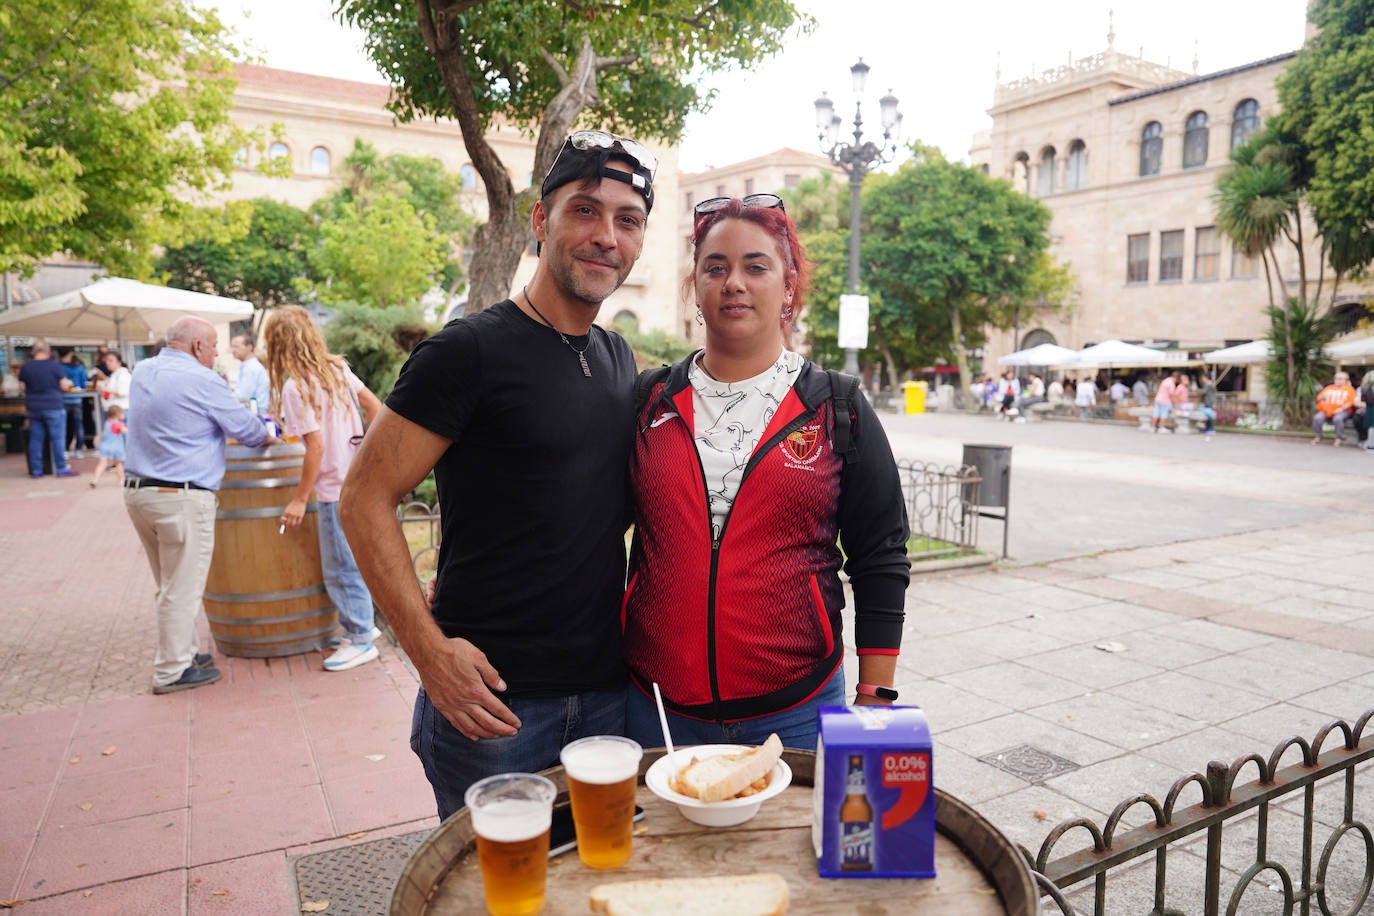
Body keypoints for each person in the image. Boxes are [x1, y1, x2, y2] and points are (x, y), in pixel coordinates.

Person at [339, 130, 654, 819]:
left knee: (597, 874)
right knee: (496, 880)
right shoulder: (466, 352)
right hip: (494, 710)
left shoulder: (616, 357)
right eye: (584, 210)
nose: (606, 236)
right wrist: (428, 654)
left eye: (627, 220)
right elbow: (363, 499)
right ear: (540, 220)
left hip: (608, 699)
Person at [623, 194, 910, 752]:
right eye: (715, 267)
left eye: (756, 267)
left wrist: (876, 697)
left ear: (789, 286)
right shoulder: (648, 400)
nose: (734, 282)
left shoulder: (836, 406)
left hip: (797, 711)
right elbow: (590, 528)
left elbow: (880, 554)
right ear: (695, 286)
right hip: (657, 710)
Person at [124, 316, 280, 695]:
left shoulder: (143, 371)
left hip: (138, 493)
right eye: (213, 347)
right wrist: (268, 433)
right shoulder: (203, 379)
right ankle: (172, 671)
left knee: (169, 583)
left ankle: (187, 652)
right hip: (180, 497)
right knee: (182, 587)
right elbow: (246, 430)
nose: (215, 354)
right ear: (197, 346)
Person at [262, 306, 384, 671]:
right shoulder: (336, 369)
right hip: (356, 482)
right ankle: (363, 628)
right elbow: (376, 407)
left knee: (342, 568)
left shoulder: (295, 386)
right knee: (353, 561)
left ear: (278, 344)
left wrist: (300, 499)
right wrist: (363, 451)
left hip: (332, 489)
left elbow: (314, 447)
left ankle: (361, 639)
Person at [18, 340, 78, 479]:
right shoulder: (54, 366)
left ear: (33, 352)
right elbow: (64, 385)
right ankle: (61, 469)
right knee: (57, 439)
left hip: (33, 407)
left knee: (35, 439)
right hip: (53, 405)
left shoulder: (26, 367)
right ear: (48, 352)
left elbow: (22, 387)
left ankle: (36, 470)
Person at [1311, 371, 1358, 446]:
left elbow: (1351, 402)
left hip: (1343, 411)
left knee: (1338, 419)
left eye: (1340, 379)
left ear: (1345, 380)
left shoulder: (1350, 389)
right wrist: (1322, 397)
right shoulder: (1329, 388)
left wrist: (1341, 409)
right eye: (1336, 378)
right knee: (1318, 418)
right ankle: (1318, 436)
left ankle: (1338, 438)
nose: (1337, 380)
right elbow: (1318, 398)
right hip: (1326, 410)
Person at [230, 333, 271, 412]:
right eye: (232, 347)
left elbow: (243, 396)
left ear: (249, 347)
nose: (233, 350)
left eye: (236, 347)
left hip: (255, 413)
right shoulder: (248, 366)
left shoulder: (251, 368)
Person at [59, 349, 90, 455]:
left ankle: (65, 449)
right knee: (79, 425)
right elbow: (84, 383)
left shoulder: (60, 367)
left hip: (63, 399)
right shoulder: (80, 368)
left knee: (64, 425)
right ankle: (79, 449)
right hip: (77, 399)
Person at [90, 404, 127, 486]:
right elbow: (125, 431)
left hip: (105, 446)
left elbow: (103, 434)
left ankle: (95, 480)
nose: (123, 415)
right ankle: (122, 480)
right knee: (118, 464)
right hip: (116, 447)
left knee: (102, 464)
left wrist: (97, 438)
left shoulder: (107, 422)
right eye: (122, 413)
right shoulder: (118, 424)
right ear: (117, 414)